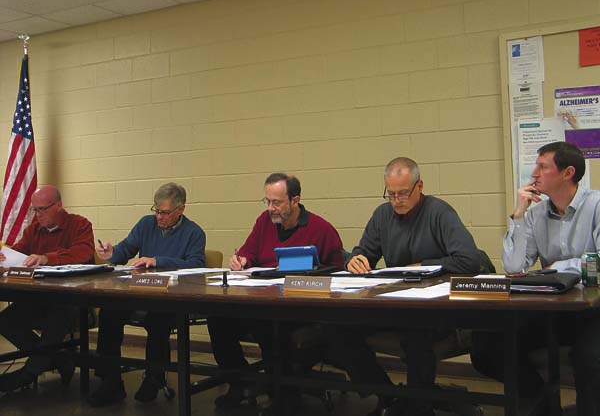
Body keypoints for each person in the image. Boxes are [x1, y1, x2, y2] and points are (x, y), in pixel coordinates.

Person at [327, 157, 481, 416]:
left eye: (403, 193)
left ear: (419, 186)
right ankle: (389, 397)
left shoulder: (439, 212)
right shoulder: (382, 214)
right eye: (391, 194)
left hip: (435, 309)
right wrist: (355, 259)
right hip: (396, 304)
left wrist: (423, 265)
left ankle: (419, 407)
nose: (397, 200)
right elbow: (365, 252)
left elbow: (469, 260)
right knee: (337, 330)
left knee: (416, 338)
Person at [471, 141, 600, 416]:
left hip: (593, 311)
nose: (534, 173)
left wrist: (557, 267)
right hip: (553, 310)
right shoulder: (535, 214)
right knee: (487, 347)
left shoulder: (597, 205)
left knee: (590, 358)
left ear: (568, 173)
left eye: (543, 166)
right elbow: (514, 267)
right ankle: (544, 405)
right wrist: (519, 214)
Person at [207, 173, 344, 411]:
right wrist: (241, 260)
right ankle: (240, 382)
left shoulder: (321, 229)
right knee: (218, 318)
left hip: (300, 308)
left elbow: (338, 274)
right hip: (263, 301)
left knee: (269, 324)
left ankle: (285, 394)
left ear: (295, 200)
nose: (271, 208)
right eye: (268, 201)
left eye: (277, 202)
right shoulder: (264, 222)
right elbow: (248, 252)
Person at [87, 182, 205, 407]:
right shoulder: (145, 224)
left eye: (165, 213)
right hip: (140, 292)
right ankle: (110, 380)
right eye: (156, 210)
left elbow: (196, 266)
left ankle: (154, 376)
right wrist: (112, 253)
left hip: (172, 297)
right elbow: (126, 250)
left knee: (157, 319)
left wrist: (158, 261)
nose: (159, 217)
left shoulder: (194, 233)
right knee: (110, 313)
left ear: (181, 209)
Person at [0, 185, 95, 392]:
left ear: (58, 205)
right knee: (5, 320)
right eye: (34, 210)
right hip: (39, 299)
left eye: (42, 209)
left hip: (71, 301)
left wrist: (46, 258)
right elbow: (18, 253)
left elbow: (83, 253)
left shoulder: (80, 225)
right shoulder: (33, 230)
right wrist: (5, 258)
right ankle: (59, 360)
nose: (38, 215)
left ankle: (29, 373)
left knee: (57, 318)